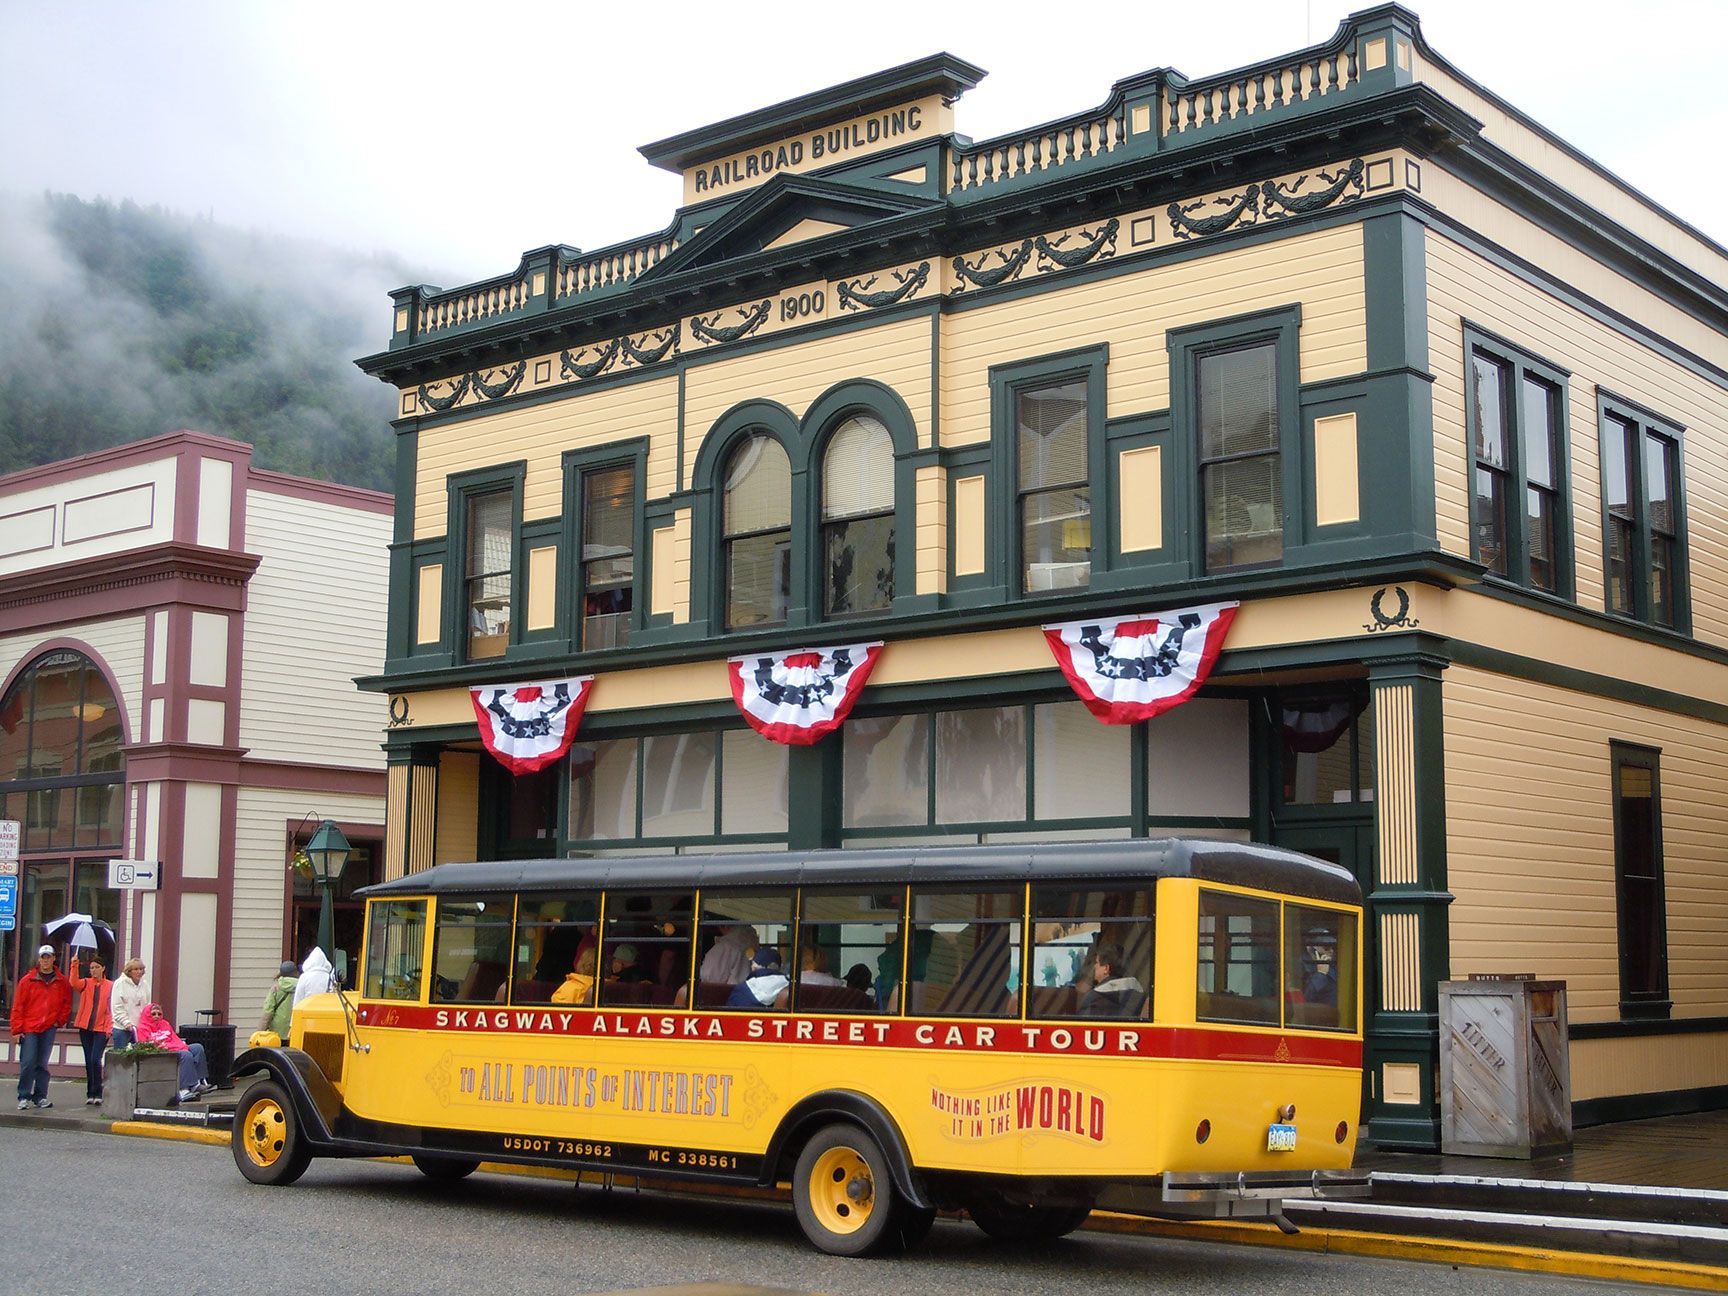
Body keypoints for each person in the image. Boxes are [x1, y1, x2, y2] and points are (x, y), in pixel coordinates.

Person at [10, 945, 72, 1110]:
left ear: (53, 959)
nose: (46, 960)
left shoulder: (61, 981)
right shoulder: (27, 980)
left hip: (48, 1027)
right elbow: (18, 1006)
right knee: (28, 1062)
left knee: (42, 1064)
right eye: (43, 957)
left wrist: (59, 1021)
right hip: (29, 1027)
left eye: (48, 957)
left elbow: (67, 1002)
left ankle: (40, 1096)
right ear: (39, 959)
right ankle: (23, 1096)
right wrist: (16, 1030)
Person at [134, 1003, 215, 1104]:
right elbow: (146, 1045)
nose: (156, 1016)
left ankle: (199, 1082)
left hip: (174, 1046)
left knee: (198, 1048)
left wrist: (181, 1046)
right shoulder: (142, 1028)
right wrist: (175, 1047)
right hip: (161, 1052)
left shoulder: (165, 1024)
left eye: (159, 1014)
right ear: (147, 1015)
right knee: (186, 1055)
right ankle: (184, 1088)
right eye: (153, 1014)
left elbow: (175, 1038)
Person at [67, 953, 114, 1105]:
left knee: (95, 1058)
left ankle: (98, 1092)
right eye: (92, 968)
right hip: (85, 1027)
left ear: (103, 968)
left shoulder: (110, 986)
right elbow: (73, 983)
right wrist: (74, 964)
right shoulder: (86, 983)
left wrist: (109, 1027)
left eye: (96, 967)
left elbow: (110, 1009)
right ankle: (90, 1092)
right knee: (89, 1060)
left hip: (101, 1028)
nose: (93, 970)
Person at [1079, 944, 1145, 1017]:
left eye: (1097, 963)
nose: (1094, 966)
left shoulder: (1094, 998)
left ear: (1106, 969)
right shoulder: (1140, 997)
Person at [110, 957, 149, 1048]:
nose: (139, 972)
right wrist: (126, 1023)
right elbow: (117, 1007)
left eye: (141, 969)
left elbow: (146, 1006)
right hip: (122, 1029)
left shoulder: (145, 984)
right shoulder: (120, 983)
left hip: (139, 1028)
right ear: (129, 971)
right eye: (136, 969)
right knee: (122, 1058)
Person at [259, 960, 299, 1042]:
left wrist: (260, 1033)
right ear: (295, 972)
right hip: (294, 1031)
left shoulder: (276, 988)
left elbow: (268, 1012)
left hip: (276, 1033)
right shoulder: (301, 987)